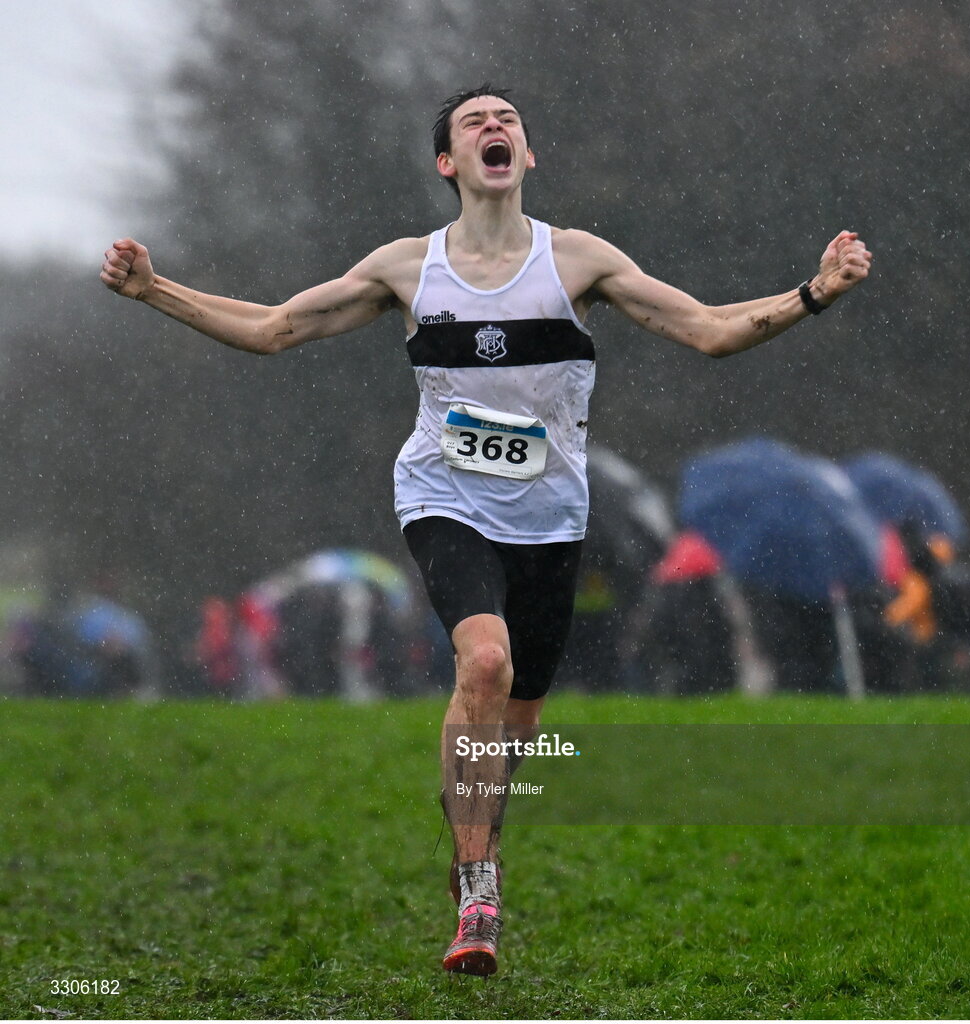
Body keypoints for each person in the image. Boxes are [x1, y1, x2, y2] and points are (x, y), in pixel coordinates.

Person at [100, 83, 873, 975]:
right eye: (475, 122)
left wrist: (814, 292)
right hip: (445, 497)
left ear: (526, 156)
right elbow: (274, 329)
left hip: (551, 518)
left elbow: (706, 331)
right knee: (483, 662)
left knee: (517, 723)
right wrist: (156, 291)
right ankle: (477, 890)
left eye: (508, 120)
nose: (494, 128)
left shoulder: (578, 261)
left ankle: (478, 840)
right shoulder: (405, 269)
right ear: (448, 162)